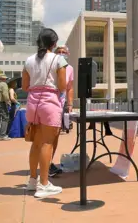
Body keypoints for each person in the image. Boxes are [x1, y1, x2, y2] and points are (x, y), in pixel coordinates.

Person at [23, 28, 67, 198]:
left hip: (32, 102)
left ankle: (32, 181)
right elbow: (62, 86)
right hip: (49, 102)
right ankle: (44, 184)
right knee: (47, 143)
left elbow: (25, 86)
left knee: (35, 143)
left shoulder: (28, 60)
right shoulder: (58, 59)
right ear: (54, 44)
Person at [48, 45, 74, 177]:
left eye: (64, 52)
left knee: (56, 135)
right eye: (59, 52)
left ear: (68, 54)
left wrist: (70, 103)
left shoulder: (70, 68)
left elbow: (69, 87)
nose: (62, 54)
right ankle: (44, 165)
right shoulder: (50, 65)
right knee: (47, 136)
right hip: (48, 103)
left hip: (60, 104)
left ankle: (48, 163)